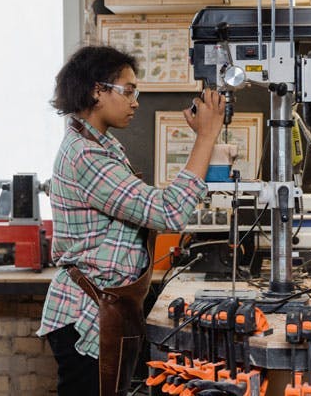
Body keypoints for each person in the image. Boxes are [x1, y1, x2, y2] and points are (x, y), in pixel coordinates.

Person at [37, 45, 225, 396]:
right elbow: (169, 212)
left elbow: (148, 206)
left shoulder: (105, 145)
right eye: (128, 90)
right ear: (97, 90)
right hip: (87, 316)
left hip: (105, 308)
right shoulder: (86, 155)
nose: (136, 100)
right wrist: (206, 137)